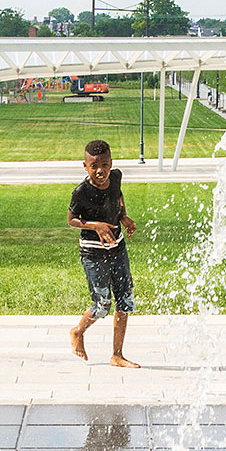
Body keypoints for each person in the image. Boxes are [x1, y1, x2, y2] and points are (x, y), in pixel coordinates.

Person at [68, 139, 141, 367]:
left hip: (117, 248)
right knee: (102, 305)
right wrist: (96, 225)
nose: (100, 171)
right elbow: (71, 220)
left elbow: (118, 197)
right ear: (85, 165)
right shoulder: (81, 192)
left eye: (105, 165)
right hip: (93, 253)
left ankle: (117, 355)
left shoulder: (116, 177)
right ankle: (79, 331)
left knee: (125, 300)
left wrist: (123, 216)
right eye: (94, 166)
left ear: (111, 163)